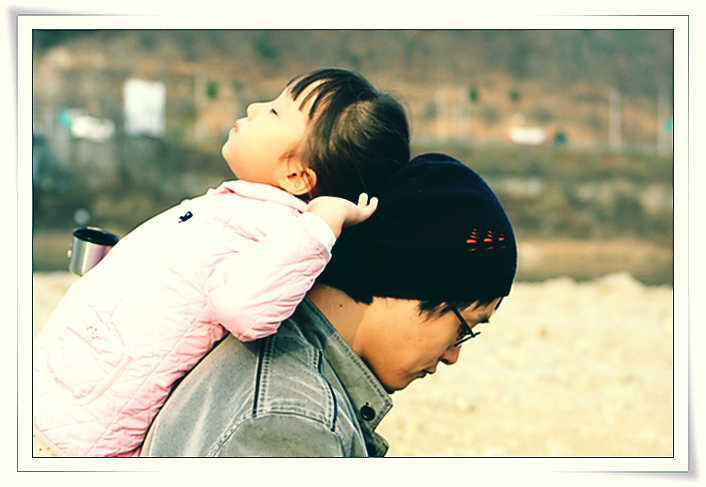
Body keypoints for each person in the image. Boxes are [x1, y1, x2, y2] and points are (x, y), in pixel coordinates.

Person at [33, 68, 411, 457]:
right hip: (62, 387)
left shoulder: (276, 231)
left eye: (274, 112)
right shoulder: (247, 209)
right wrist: (119, 259)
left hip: (69, 432)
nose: (254, 107)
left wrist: (323, 223)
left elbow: (244, 310)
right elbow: (186, 280)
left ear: (297, 175)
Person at [141, 152, 518, 457]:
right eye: (464, 327)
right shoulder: (293, 420)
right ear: (407, 281)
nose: (453, 355)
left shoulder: (279, 369)